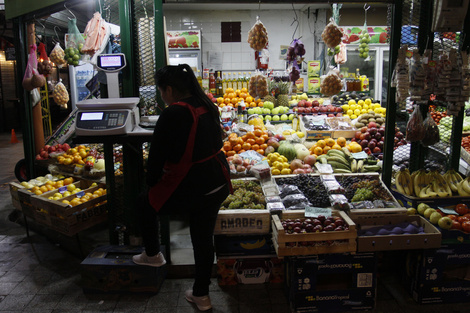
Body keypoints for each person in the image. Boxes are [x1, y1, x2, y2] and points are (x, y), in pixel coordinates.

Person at [132, 64, 232, 311]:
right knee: (202, 237)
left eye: (161, 91)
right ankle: (201, 295)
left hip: (193, 182)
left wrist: (152, 180)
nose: (162, 96)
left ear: (168, 89)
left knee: (145, 203)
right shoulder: (207, 105)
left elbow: (156, 157)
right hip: (217, 180)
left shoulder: (173, 113)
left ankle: (153, 255)